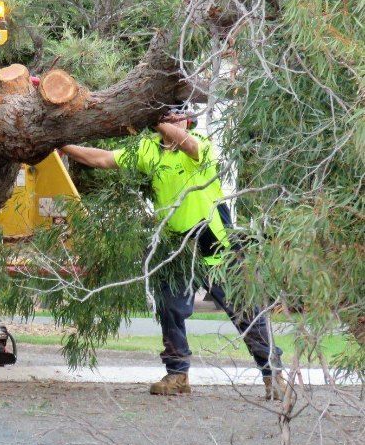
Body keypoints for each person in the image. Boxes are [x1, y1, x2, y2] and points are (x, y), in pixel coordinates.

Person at [61, 109, 286, 399]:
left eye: (177, 116)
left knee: (246, 313)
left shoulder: (201, 145)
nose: (172, 121)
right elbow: (103, 158)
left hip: (216, 246)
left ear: (186, 121)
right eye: (167, 115)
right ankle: (177, 375)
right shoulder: (147, 150)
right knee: (169, 309)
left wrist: (155, 119)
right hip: (175, 250)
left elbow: (188, 144)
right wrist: (60, 144)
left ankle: (273, 376)